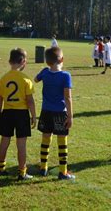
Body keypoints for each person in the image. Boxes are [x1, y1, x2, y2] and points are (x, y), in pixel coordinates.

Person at [34, 47, 75, 180]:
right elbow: (68, 98)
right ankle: (63, 172)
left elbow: (35, 79)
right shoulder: (65, 75)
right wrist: (70, 116)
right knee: (62, 141)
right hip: (60, 113)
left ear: (47, 62)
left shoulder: (45, 72)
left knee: (45, 138)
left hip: (46, 112)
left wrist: (44, 72)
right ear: (62, 59)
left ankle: (43, 168)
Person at [0, 48, 36, 180]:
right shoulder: (26, 79)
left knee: (4, 140)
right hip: (21, 114)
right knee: (21, 144)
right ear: (23, 62)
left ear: (9, 61)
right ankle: (22, 172)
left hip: (7, 113)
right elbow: (30, 101)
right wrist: (33, 116)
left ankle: (1, 168)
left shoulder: (4, 78)